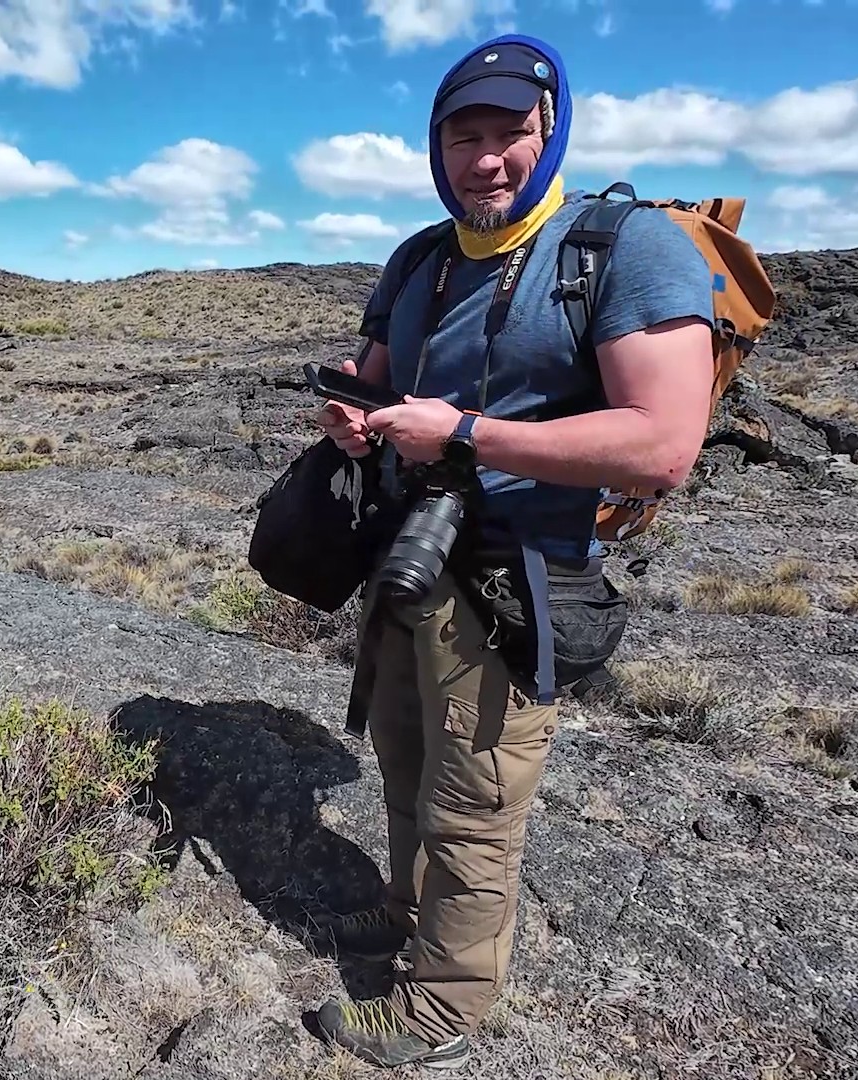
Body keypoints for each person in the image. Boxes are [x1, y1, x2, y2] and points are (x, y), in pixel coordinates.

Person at [308, 33, 718, 1070]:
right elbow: (378, 375)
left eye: (510, 134)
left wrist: (463, 435)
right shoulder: (420, 258)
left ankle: (445, 1006)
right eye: (464, 137)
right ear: (435, 148)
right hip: (407, 556)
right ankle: (408, 911)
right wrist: (353, 414)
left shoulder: (624, 250)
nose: (486, 159)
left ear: (552, 131)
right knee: (403, 759)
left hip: (514, 580)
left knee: (474, 797)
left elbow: (663, 447)